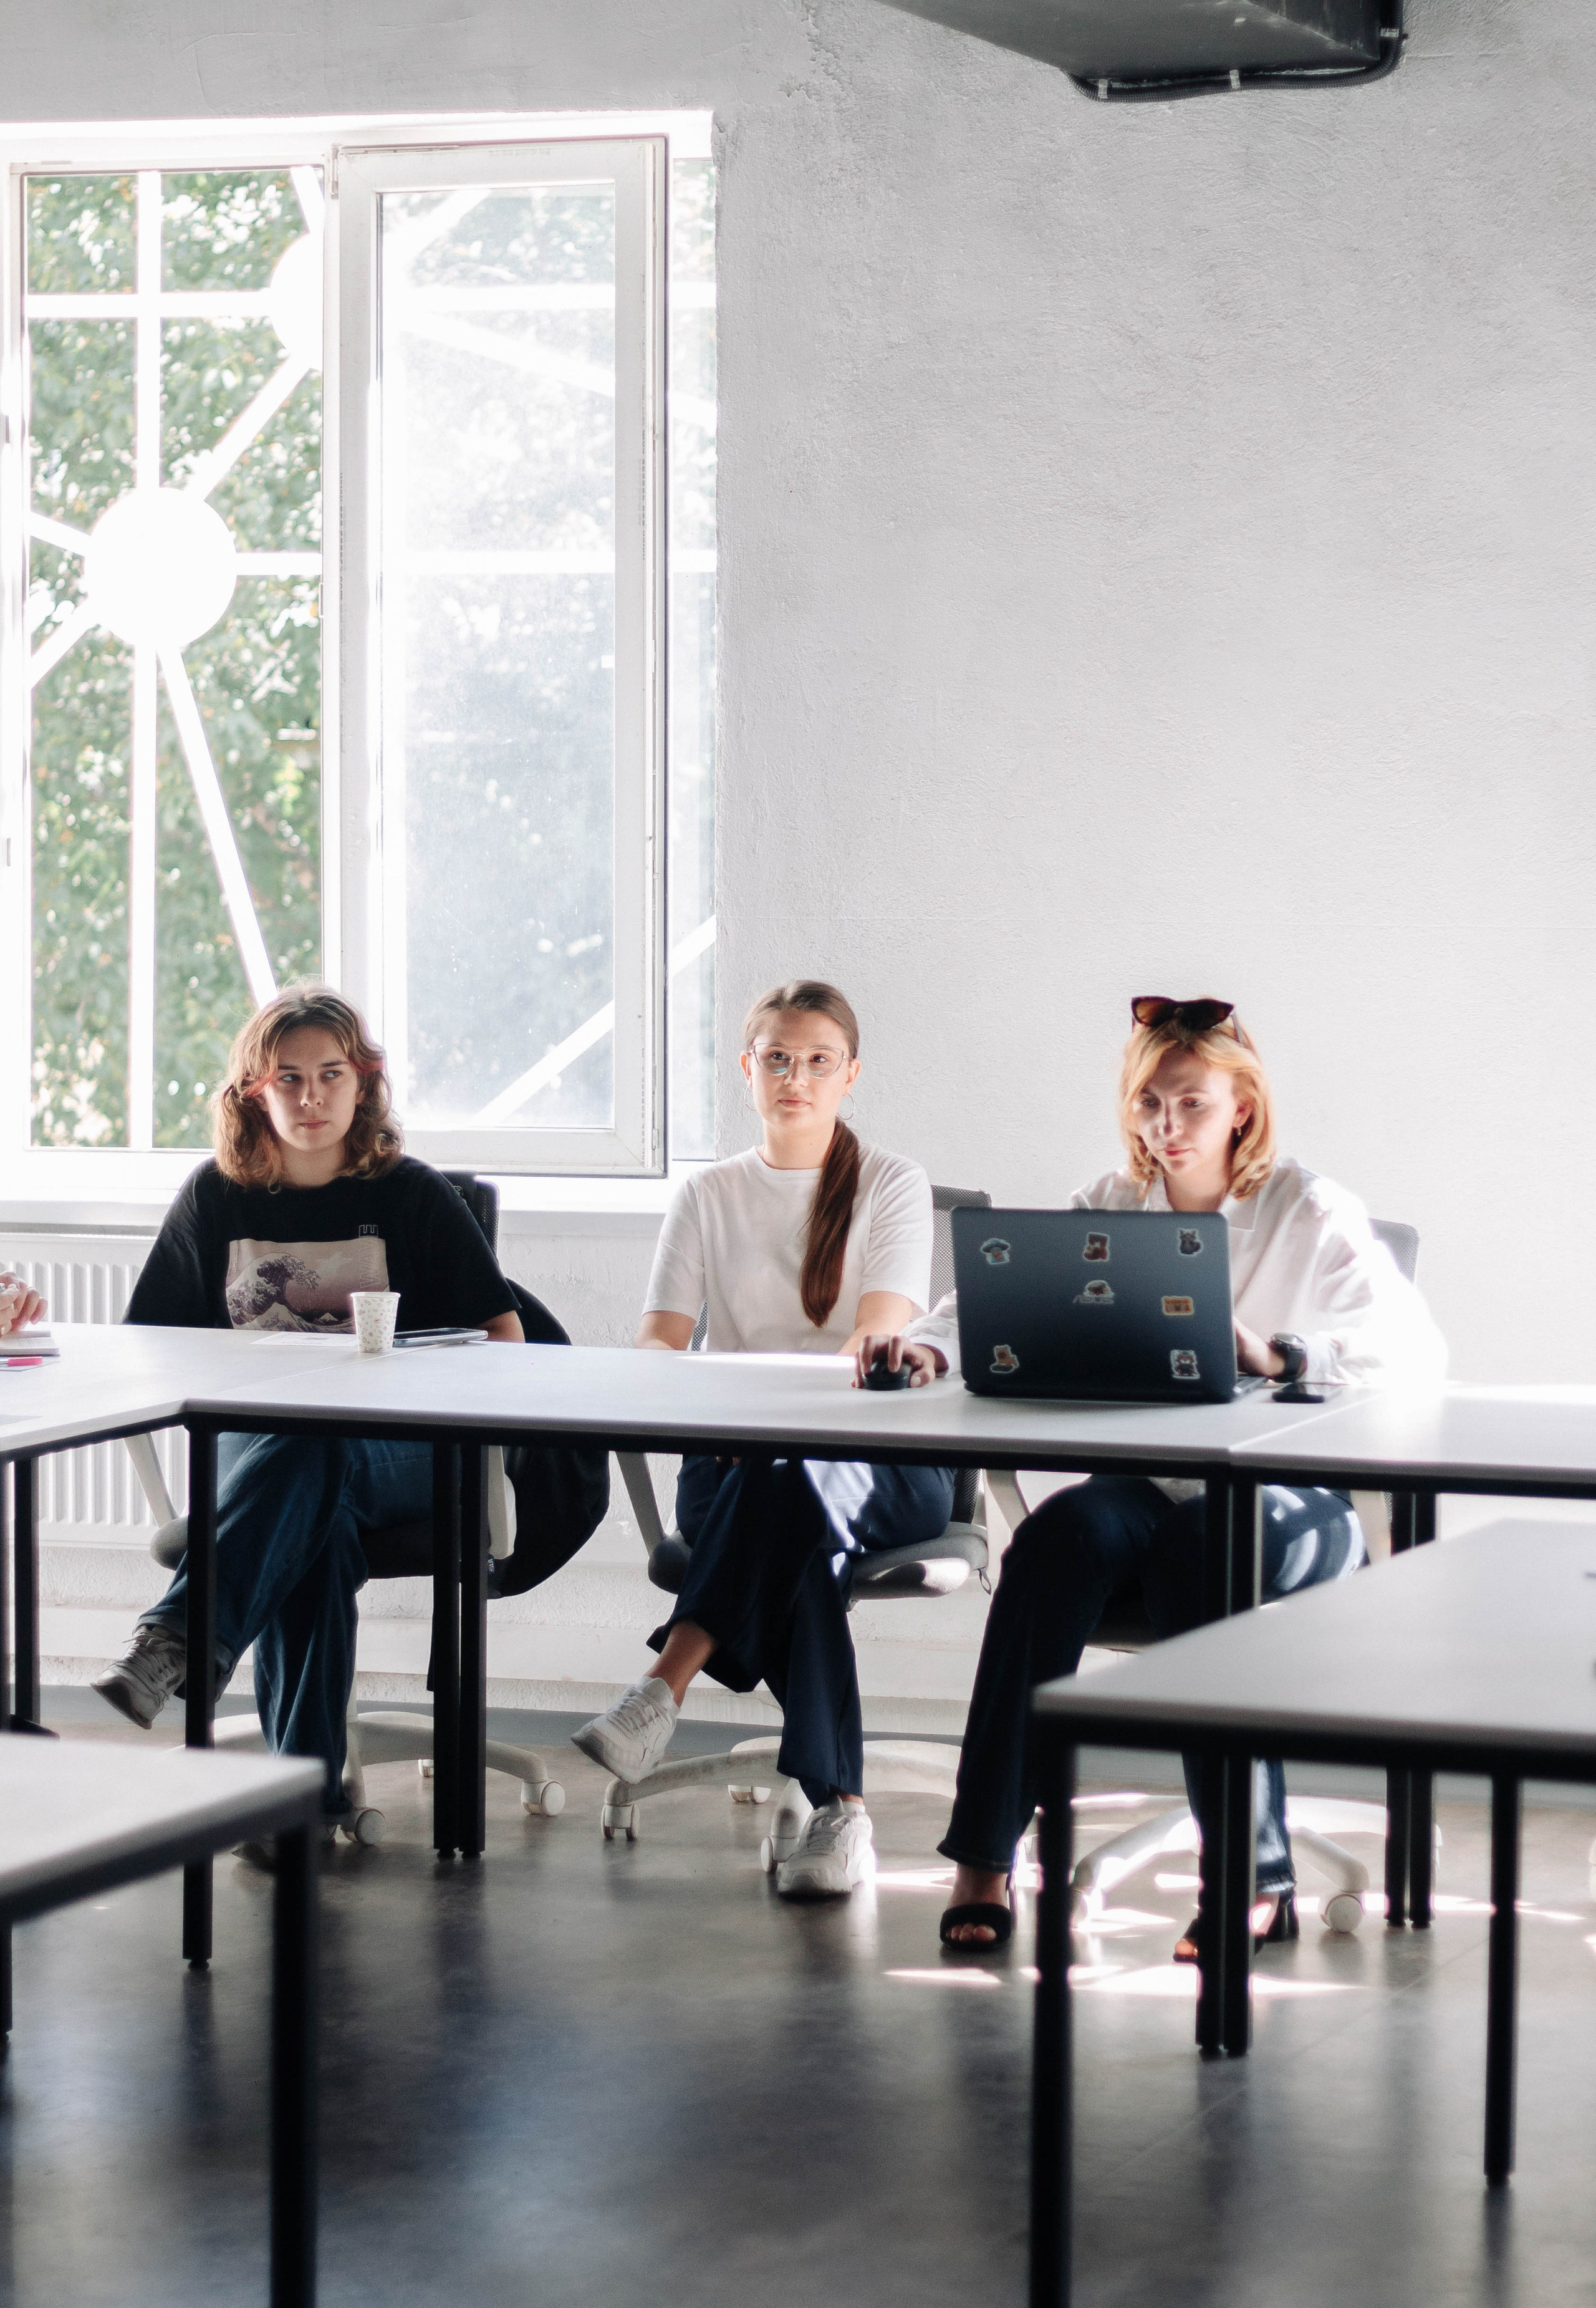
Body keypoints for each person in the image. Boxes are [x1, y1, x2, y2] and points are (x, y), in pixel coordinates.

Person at [857, 995, 1446, 1952]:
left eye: (1190, 1105)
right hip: (1143, 1490)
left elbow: (1414, 1353)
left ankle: (1251, 1879)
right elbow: (989, 1300)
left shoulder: (1308, 1207)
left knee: (1197, 1548)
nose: (1165, 1127)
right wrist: (926, 1345)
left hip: (1287, 1501)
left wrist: (1283, 1354)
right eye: (1148, 1104)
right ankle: (982, 1859)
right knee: (1054, 1539)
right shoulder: (1111, 1208)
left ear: (1242, 1109)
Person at [91, 986, 523, 1850]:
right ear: (256, 1090)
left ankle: (177, 1637)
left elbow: (506, 1341)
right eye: (290, 1078)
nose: (313, 1096)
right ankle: (302, 1804)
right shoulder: (216, 1198)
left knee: (314, 1451)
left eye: (332, 1075)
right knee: (308, 1510)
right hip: (265, 1456)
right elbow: (145, 1350)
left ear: (364, 1085)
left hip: (405, 1450)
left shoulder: (412, 1195)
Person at [571, 979, 954, 1900]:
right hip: (734, 1459)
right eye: (778, 1057)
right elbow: (660, 1343)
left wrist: (773, 1422)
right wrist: (720, 1408)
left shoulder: (892, 1183)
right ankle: (842, 1813)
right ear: (748, 1070)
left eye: (819, 1060)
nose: (797, 1076)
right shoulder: (707, 1194)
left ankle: (668, 1678)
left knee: (789, 1486)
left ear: (849, 1074)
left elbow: (876, 1340)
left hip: (879, 1458)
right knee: (798, 1547)